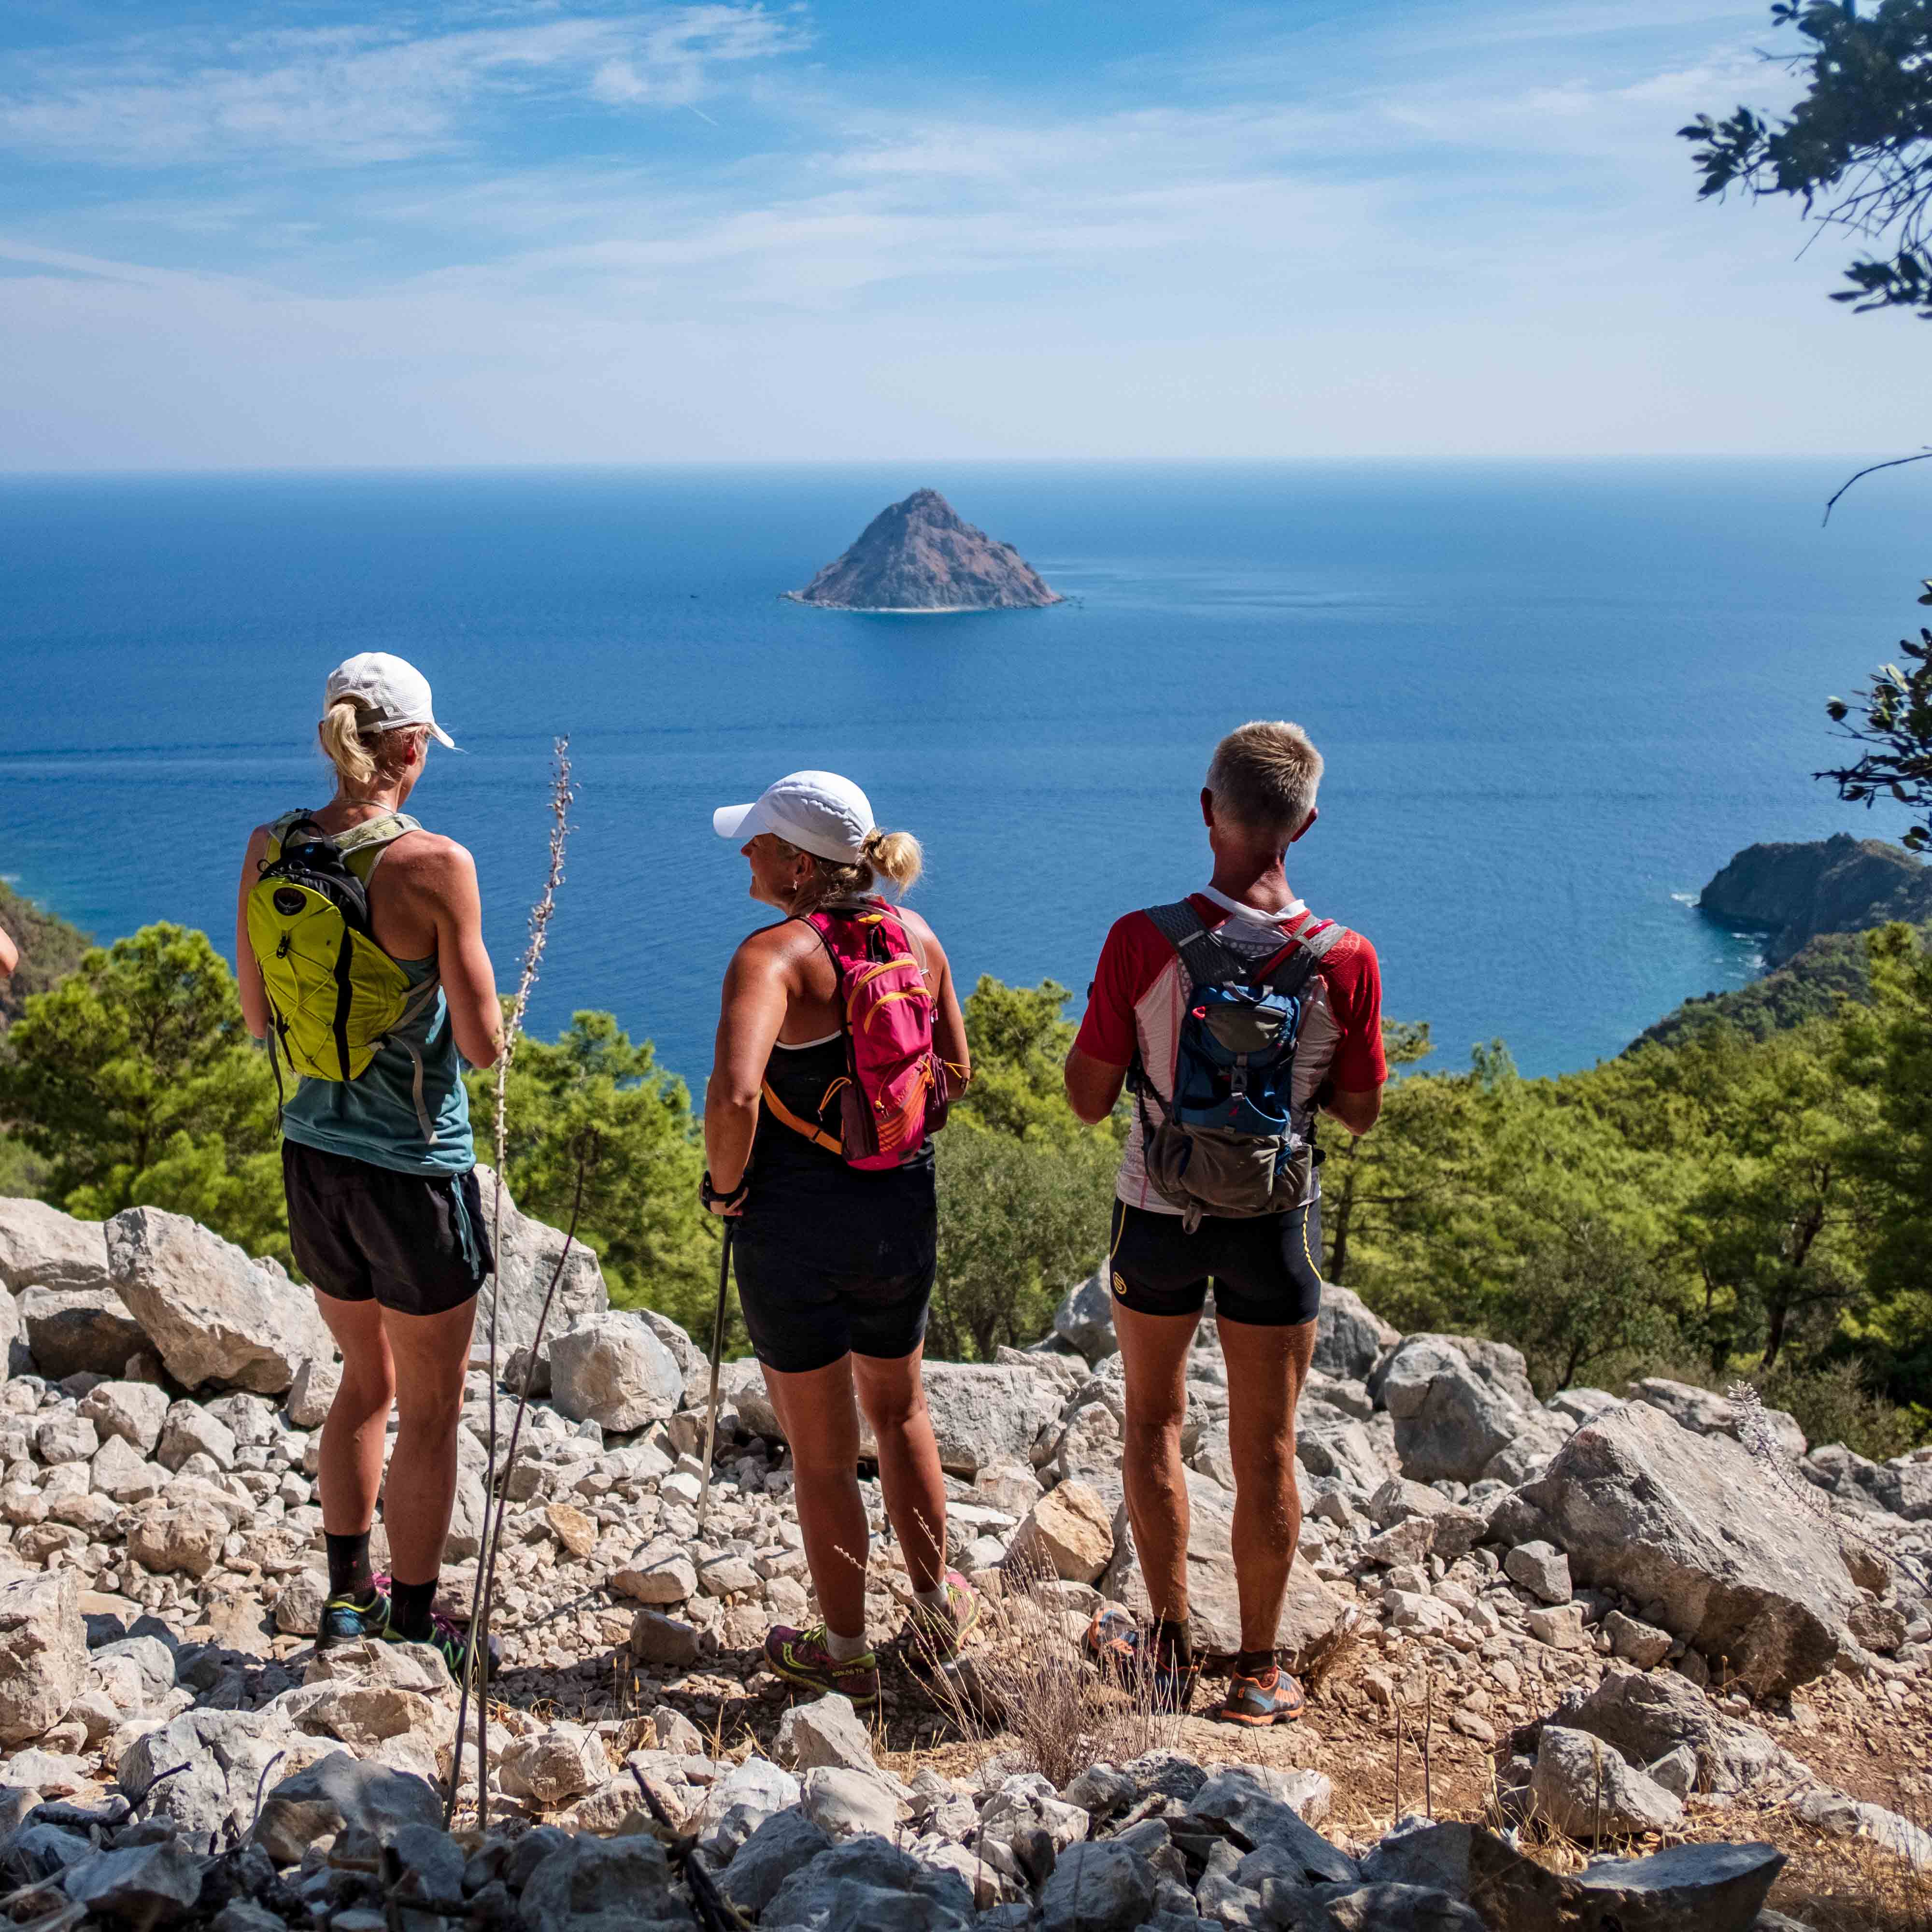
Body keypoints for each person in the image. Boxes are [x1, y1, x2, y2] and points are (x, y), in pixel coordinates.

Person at [1063, 721, 1386, 1726]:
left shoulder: (1139, 939)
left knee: (1153, 1422)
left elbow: (1084, 1094)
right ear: (1306, 824)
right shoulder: (1344, 958)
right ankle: (1255, 1669)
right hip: (1274, 1225)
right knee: (1268, 1446)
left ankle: (1163, 1651)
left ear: (1208, 811)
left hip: (1157, 1213)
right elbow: (1359, 1109)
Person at [235, 652, 501, 1673]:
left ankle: (346, 1596)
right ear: (409, 747)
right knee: (433, 1408)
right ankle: (416, 1617)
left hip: (312, 1158)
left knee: (362, 1379)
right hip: (415, 1168)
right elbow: (479, 1044)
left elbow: (260, 1014)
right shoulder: (435, 864)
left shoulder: (270, 846)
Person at [705, 770, 974, 1707]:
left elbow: (736, 1094)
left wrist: (725, 1188)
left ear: (793, 862)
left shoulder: (772, 957)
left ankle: (846, 1649)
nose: (743, 852)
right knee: (901, 1414)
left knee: (822, 1453)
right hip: (899, 1207)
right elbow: (958, 1070)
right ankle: (937, 1612)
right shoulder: (918, 935)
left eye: (755, 840)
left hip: (791, 1221)